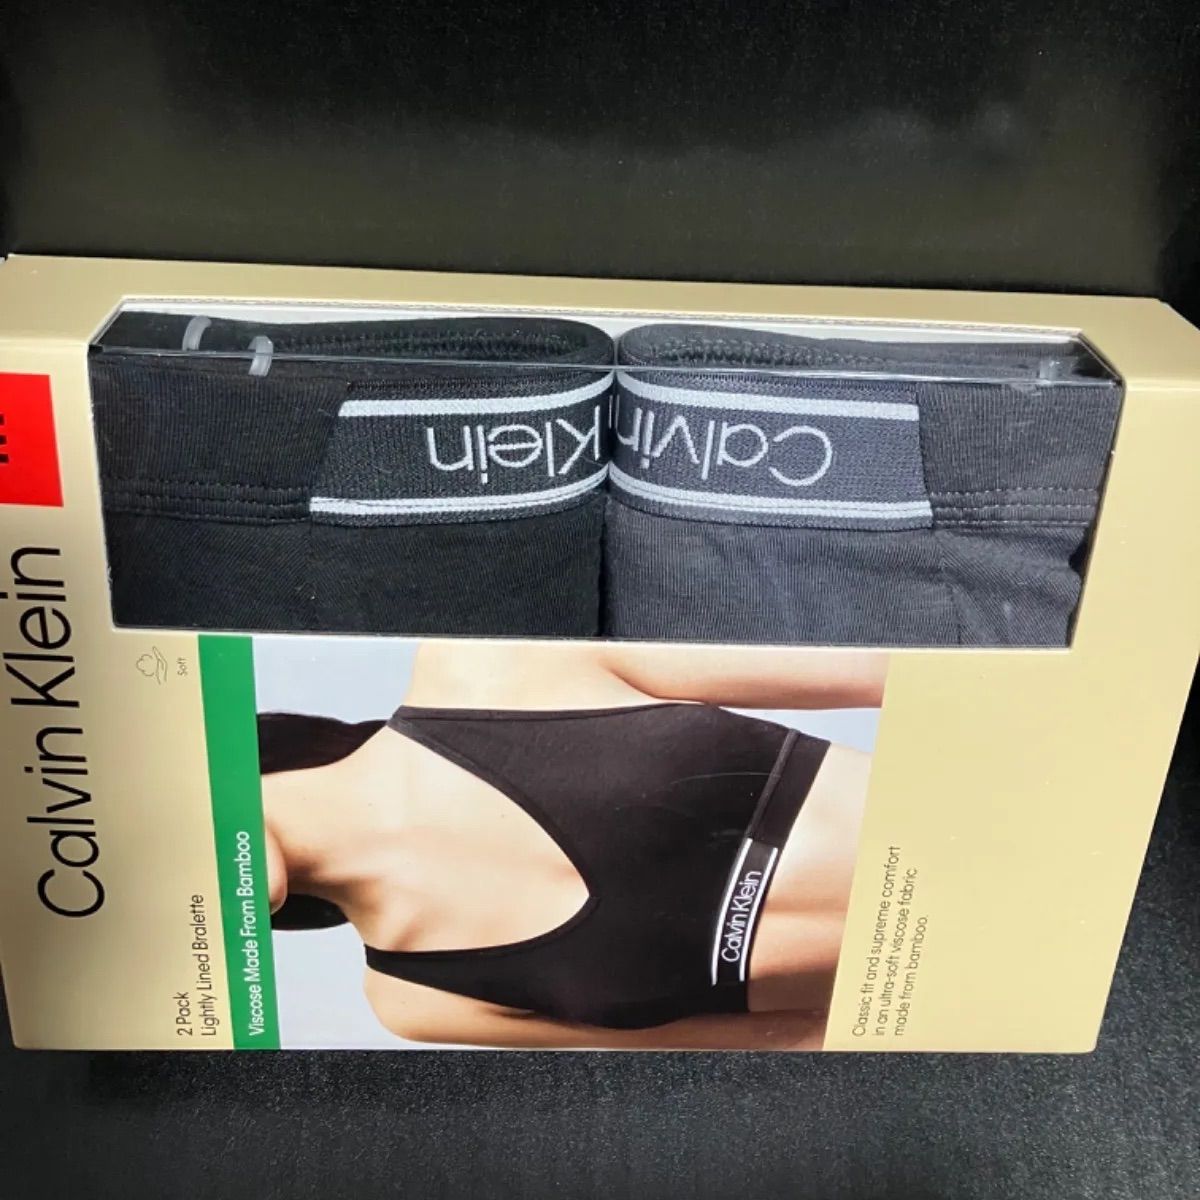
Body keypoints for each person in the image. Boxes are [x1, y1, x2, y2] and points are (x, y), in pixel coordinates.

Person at [260, 642, 885, 1049]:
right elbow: (807, 1045)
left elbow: (905, 668)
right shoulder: (413, 998)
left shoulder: (482, 669)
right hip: (938, 989)